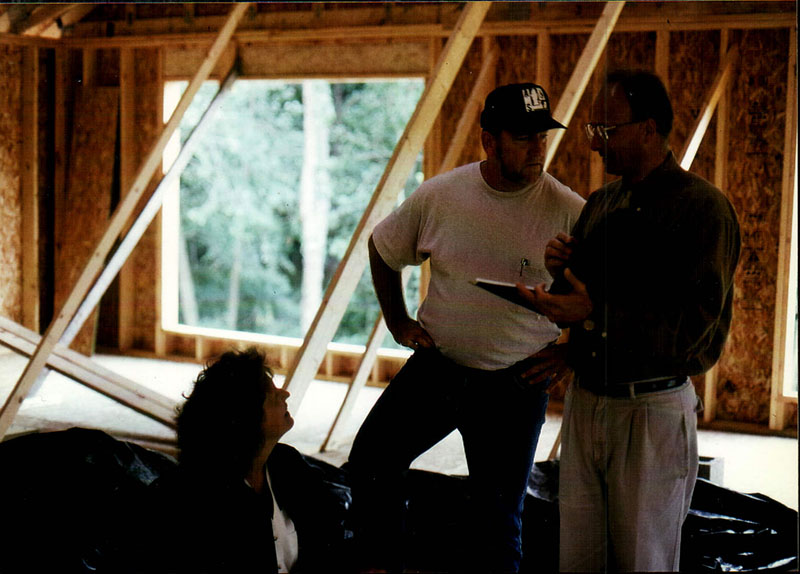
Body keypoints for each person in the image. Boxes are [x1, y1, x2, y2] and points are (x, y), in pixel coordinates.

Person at [347, 83, 585, 572]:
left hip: (515, 384)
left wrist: (570, 354)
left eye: (542, 136)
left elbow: (601, 295)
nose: (537, 147)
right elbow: (383, 246)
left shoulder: (569, 211)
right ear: (488, 141)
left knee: (498, 521)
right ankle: (383, 564)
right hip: (440, 368)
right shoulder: (442, 195)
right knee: (371, 461)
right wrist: (397, 320)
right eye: (522, 137)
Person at [516, 70, 741, 572]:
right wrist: (561, 272)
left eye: (606, 130)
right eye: (594, 130)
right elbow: (585, 298)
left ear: (650, 128)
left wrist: (594, 315)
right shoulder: (601, 204)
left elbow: (693, 331)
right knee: (578, 558)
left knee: (645, 560)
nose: (596, 145)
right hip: (588, 404)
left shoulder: (704, 210)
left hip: (650, 410)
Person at [129, 348, 350, 573]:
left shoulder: (285, 463)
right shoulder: (194, 499)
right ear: (247, 421)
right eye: (272, 396)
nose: (285, 394)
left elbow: (329, 527)